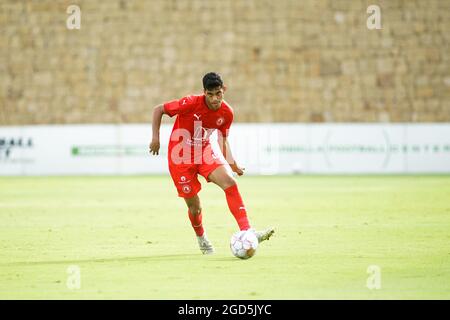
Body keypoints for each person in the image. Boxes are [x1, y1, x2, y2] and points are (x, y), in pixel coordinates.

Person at [149, 72, 274, 254]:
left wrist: (232, 165)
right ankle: (201, 237)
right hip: (180, 158)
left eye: (218, 94)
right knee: (195, 207)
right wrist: (155, 138)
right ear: (204, 93)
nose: (215, 99)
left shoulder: (227, 113)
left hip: (205, 152)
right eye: (210, 94)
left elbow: (222, 140)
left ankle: (247, 231)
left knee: (230, 183)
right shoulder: (190, 103)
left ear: (224, 90)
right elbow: (158, 109)